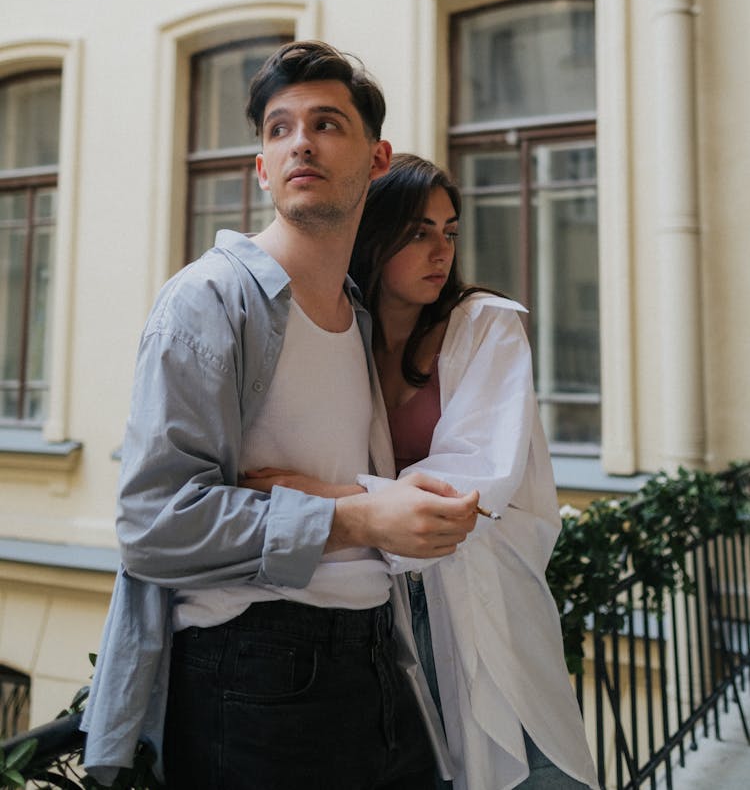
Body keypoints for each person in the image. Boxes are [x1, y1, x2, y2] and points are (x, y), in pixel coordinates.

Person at [81, 44, 479, 790]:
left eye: (327, 123)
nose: (300, 140)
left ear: (377, 157)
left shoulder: (355, 315)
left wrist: (339, 502)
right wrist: (359, 519)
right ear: (263, 167)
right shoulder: (206, 301)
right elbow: (152, 523)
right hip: (254, 668)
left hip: (379, 656)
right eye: (278, 128)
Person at [248, 154, 598, 790]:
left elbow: (465, 491)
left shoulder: (486, 326)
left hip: (483, 594)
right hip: (375, 613)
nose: (442, 249)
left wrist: (306, 495)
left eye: (450, 230)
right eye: (418, 232)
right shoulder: (340, 335)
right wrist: (354, 507)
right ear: (373, 234)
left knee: (532, 769)